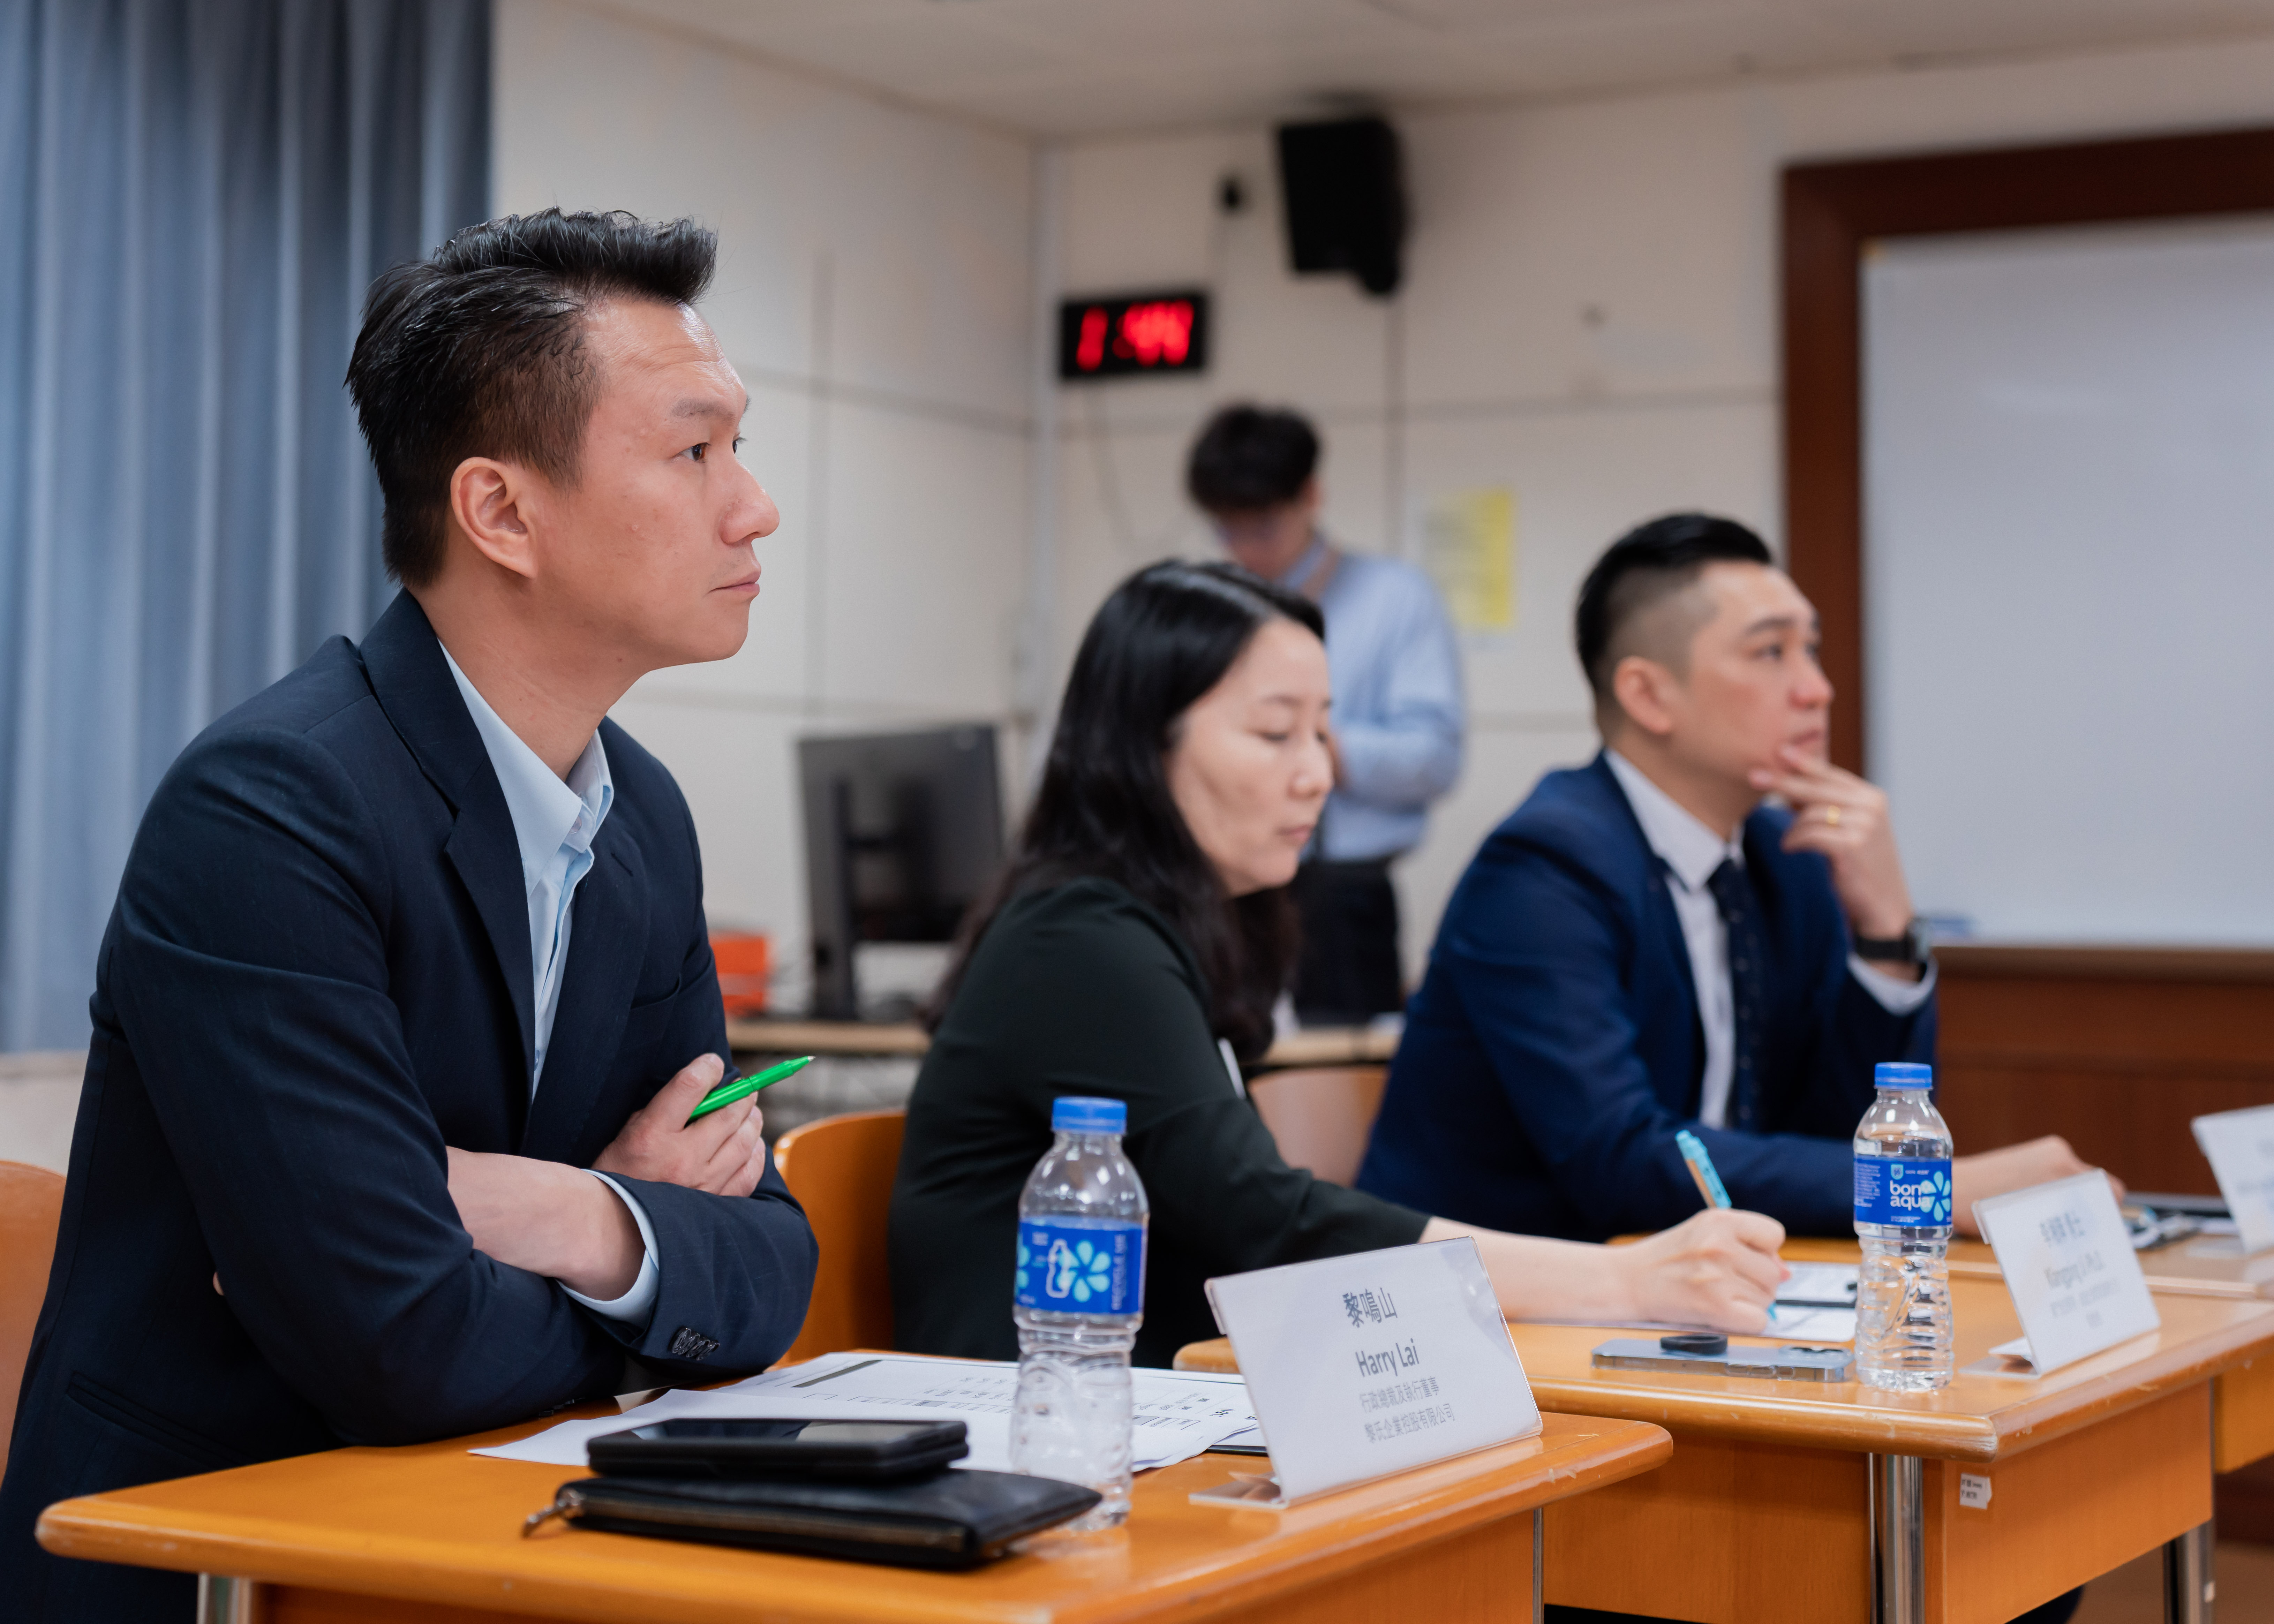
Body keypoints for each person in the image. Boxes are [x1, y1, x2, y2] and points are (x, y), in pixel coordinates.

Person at [0, 211, 818, 1624]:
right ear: (501, 512)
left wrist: (551, 1209)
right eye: (694, 452)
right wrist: (640, 1257)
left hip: (494, 1548)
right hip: (219, 1569)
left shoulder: (642, 818)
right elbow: (396, 1341)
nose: (755, 507)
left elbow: (768, 1263)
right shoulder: (270, 808)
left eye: (738, 447)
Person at [889, 560, 1787, 1369]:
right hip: (1037, 1424)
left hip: (1167, 1401)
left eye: (1323, 732)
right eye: (1277, 732)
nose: (1319, 772)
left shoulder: (1174, 927)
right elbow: (1261, 1218)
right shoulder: (1079, 937)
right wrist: (1623, 1281)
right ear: (1142, 748)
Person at [1357, 513, 2106, 1241]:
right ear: (1649, 695)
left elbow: (1830, 1138)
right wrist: (1927, 1184)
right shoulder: (1544, 869)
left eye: (1810, 649)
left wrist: (1886, 936)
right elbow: (1621, 1160)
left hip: (1707, 1286)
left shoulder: (1786, 853)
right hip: (1501, 1296)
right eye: (1771, 652)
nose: (1817, 689)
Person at [1187, 405, 1462, 1023]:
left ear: (1311, 496)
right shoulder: (1209, 608)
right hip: (1222, 882)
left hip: (1343, 895)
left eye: (1262, 527)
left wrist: (1306, 743)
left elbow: (1436, 757)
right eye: (1227, 530)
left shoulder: (1394, 598)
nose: (1245, 549)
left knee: (1338, 1065)